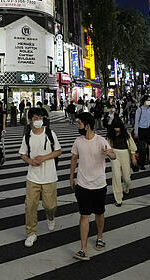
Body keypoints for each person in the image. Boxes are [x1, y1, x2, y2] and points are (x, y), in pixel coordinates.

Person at [69, 112, 115, 261]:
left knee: (99, 213)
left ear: (87, 125)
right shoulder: (78, 141)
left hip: (99, 184)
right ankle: (83, 249)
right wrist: (71, 177)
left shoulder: (101, 141)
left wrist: (109, 153)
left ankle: (100, 237)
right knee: (84, 215)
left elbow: (113, 155)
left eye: (79, 123)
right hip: (82, 184)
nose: (78, 126)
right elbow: (74, 159)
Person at [19, 107, 61, 247]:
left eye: (40, 117)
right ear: (30, 120)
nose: (38, 120)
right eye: (35, 118)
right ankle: (31, 233)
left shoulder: (50, 133)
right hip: (33, 177)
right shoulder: (27, 136)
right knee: (30, 205)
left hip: (49, 176)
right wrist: (30, 161)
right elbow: (22, 154)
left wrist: (44, 158)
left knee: (50, 205)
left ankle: (50, 215)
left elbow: (58, 151)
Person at [106, 116, 137, 206]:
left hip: (125, 155)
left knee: (126, 178)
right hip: (114, 154)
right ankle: (118, 198)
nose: (117, 129)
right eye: (115, 127)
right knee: (116, 176)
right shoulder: (110, 134)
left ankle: (126, 187)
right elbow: (108, 145)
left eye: (118, 127)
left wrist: (133, 157)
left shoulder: (126, 134)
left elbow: (132, 146)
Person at [133, 96, 150, 165]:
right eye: (147, 100)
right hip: (141, 130)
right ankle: (141, 163)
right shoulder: (139, 110)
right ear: (144, 101)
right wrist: (136, 132)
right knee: (142, 148)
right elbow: (136, 121)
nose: (149, 102)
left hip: (149, 130)